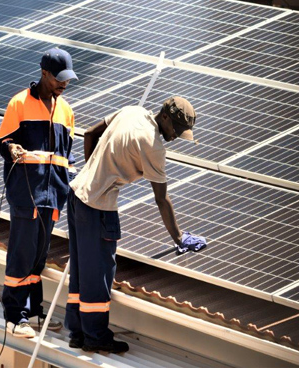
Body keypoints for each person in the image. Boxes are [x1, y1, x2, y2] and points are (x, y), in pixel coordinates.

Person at [65, 96, 207, 353]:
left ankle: (77, 333)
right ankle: (95, 337)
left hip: (76, 196)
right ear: (164, 116)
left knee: (80, 271)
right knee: (99, 275)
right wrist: (179, 237)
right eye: (175, 129)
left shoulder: (132, 111)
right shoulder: (153, 147)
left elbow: (89, 133)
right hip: (98, 207)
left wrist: (91, 172)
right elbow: (161, 199)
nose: (175, 137)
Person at [0, 47, 77, 338]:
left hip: (54, 194)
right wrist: (11, 148)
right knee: (21, 254)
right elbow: (3, 140)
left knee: (38, 258)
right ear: (44, 73)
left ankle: (32, 312)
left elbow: (66, 156)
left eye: (67, 79)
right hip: (26, 193)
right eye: (59, 78)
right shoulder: (19, 103)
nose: (63, 84)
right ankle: (13, 316)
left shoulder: (66, 110)